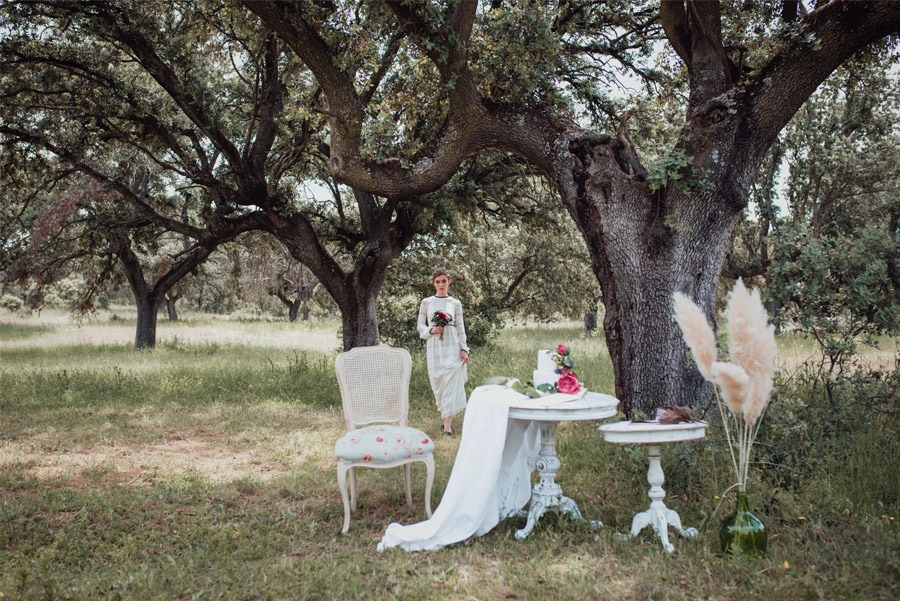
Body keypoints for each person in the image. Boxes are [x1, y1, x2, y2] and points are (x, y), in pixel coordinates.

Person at [417, 268, 469, 435]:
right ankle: (444, 413)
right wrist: (430, 331)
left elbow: (460, 327)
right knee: (439, 382)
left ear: (449, 282)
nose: (441, 284)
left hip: (452, 344)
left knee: (452, 381)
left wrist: (464, 348)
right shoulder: (427, 302)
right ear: (434, 283)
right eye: (437, 281)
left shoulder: (455, 303)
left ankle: (447, 424)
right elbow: (420, 326)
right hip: (435, 346)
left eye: (443, 281)